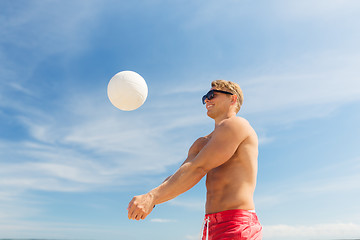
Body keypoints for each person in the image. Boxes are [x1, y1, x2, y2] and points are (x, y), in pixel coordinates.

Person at [127, 80, 262, 240]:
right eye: (205, 96)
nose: (206, 100)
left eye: (212, 95)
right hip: (209, 226)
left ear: (232, 99)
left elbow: (199, 168)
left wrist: (152, 197)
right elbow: (183, 173)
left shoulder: (237, 125)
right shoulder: (201, 142)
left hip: (237, 224)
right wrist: (152, 198)